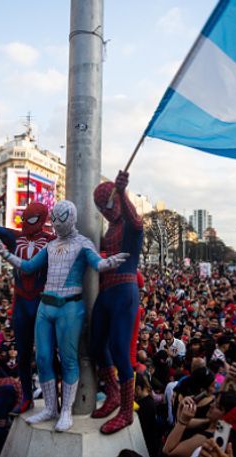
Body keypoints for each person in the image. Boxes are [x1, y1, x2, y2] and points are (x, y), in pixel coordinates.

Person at [0, 200, 129, 432]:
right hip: (45, 307)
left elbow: (97, 263)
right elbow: (27, 267)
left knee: (68, 360)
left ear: (71, 219)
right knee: (43, 358)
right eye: (53, 221)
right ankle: (50, 408)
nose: (55, 226)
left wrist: (110, 263)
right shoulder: (51, 245)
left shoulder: (83, 244)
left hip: (70, 308)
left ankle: (66, 410)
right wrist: (5, 254)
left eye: (59, 221)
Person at [0, 187, 54, 413]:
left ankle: (52, 399)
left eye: (30, 219)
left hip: (42, 302)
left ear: (42, 219)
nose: (25, 223)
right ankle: (27, 397)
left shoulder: (52, 240)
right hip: (22, 301)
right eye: (24, 218)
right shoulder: (15, 236)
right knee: (23, 353)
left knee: (46, 354)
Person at [90, 171, 146, 434]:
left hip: (124, 288)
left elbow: (137, 223)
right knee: (95, 345)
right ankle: (113, 395)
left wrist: (123, 193)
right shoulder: (111, 227)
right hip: (107, 292)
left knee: (120, 351)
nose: (106, 209)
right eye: (101, 207)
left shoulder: (129, 225)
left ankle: (126, 411)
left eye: (108, 203)